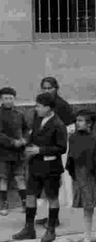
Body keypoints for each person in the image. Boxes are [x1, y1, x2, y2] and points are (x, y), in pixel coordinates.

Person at [13, 91, 68, 242]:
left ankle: (51, 230)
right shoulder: (38, 120)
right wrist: (28, 146)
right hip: (36, 166)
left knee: (52, 198)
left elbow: (61, 148)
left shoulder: (58, 124)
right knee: (30, 196)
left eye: (39, 106)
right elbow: (33, 136)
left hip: (51, 168)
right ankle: (29, 228)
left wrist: (40, 150)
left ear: (48, 108)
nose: (36, 108)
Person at [35, 76, 76, 226]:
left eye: (49, 88)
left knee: (57, 183)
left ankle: (55, 218)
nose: (46, 91)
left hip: (58, 150)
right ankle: (48, 215)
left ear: (56, 88)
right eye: (44, 88)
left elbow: (71, 128)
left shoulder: (62, 105)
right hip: (44, 150)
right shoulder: (41, 106)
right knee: (45, 184)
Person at [0, 86, 28, 216]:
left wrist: (24, 139)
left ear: (14, 99)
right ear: (1, 99)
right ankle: (5, 204)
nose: (8, 100)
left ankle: (25, 204)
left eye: (11, 98)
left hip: (18, 153)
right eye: (5, 98)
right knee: (4, 178)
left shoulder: (19, 114)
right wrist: (13, 142)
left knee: (20, 177)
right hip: (3, 153)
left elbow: (26, 129)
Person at [66, 109, 96, 242]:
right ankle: (87, 240)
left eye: (81, 120)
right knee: (87, 208)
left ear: (89, 123)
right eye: (76, 120)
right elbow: (71, 157)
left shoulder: (94, 138)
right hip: (82, 175)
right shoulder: (74, 138)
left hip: (92, 174)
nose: (77, 123)